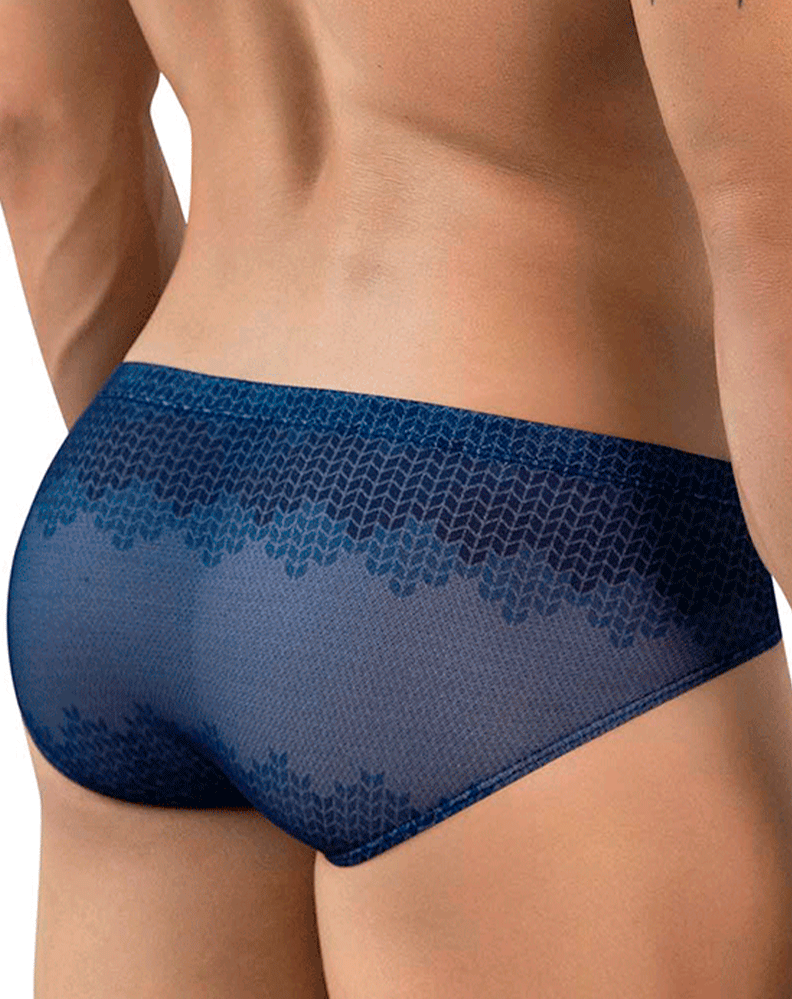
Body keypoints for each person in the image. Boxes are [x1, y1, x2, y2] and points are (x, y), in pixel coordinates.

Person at [2, 0, 792, 994]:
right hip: (522, 568)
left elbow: (40, 126)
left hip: (133, 511)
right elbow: (773, 224)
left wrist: (207, 560)